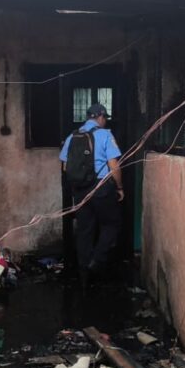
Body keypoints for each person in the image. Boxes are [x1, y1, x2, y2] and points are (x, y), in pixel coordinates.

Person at [60, 103, 123, 288]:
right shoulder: (105, 135)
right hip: (101, 188)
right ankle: (97, 259)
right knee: (112, 224)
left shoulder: (72, 136)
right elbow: (114, 166)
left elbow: (65, 167)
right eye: (105, 118)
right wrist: (119, 187)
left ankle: (84, 270)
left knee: (84, 229)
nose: (106, 121)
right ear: (101, 117)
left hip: (80, 190)